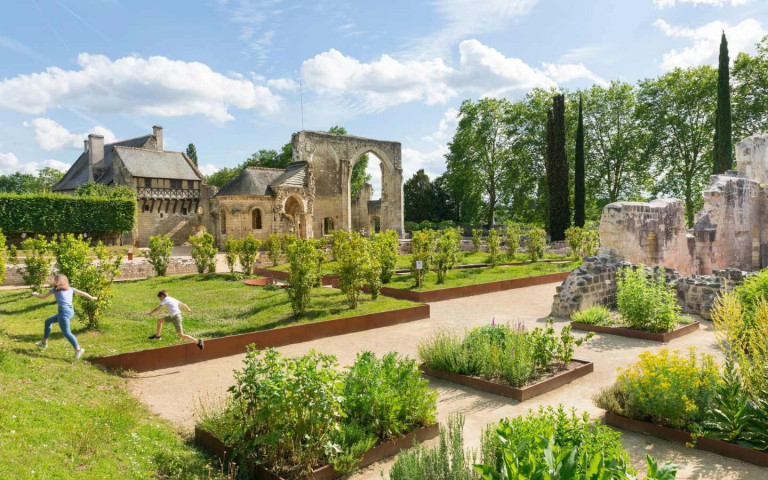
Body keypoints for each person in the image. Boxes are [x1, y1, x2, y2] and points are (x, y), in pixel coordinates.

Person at [30, 274, 96, 361]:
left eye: (55, 280)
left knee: (66, 333)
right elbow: (82, 293)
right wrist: (92, 297)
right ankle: (44, 342)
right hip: (70, 311)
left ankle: (78, 350)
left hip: (64, 313)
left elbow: (42, 296)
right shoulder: (71, 289)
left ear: (58, 282)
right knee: (48, 321)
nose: (54, 282)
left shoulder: (55, 290)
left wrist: (35, 294)